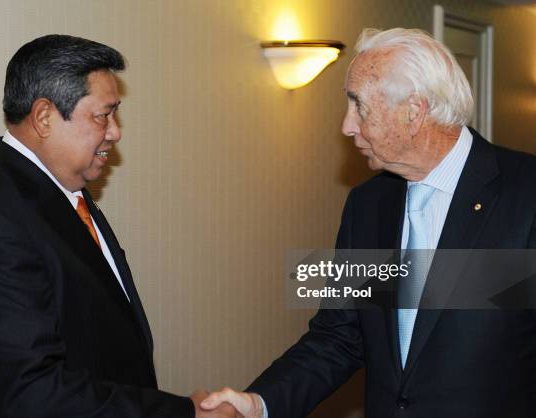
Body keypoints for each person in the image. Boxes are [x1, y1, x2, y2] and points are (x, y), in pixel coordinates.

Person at [201, 28, 536, 418]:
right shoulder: (368, 205)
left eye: (359, 105)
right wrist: (259, 404)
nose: (347, 126)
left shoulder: (525, 196)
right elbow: (339, 337)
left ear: (414, 111)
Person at [0, 34, 234, 418]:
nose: (115, 131)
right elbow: (30, 394)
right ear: (44, 117)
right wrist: (181, 414)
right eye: (103, 115)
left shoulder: (63, 190)